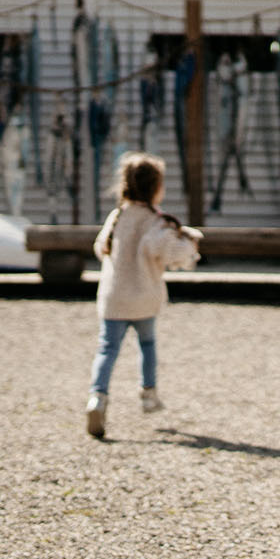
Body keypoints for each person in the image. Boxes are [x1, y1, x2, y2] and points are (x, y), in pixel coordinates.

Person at [86, 152, 201, 440]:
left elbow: (101, 248)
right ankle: (148, 393)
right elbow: (168, 253)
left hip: (114, 300)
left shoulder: (117, 216)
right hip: (144, 299)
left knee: (106, 349)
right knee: (147, 344)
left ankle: (97, 398)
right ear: (155, 188)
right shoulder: (157, 222)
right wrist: (191, 245)